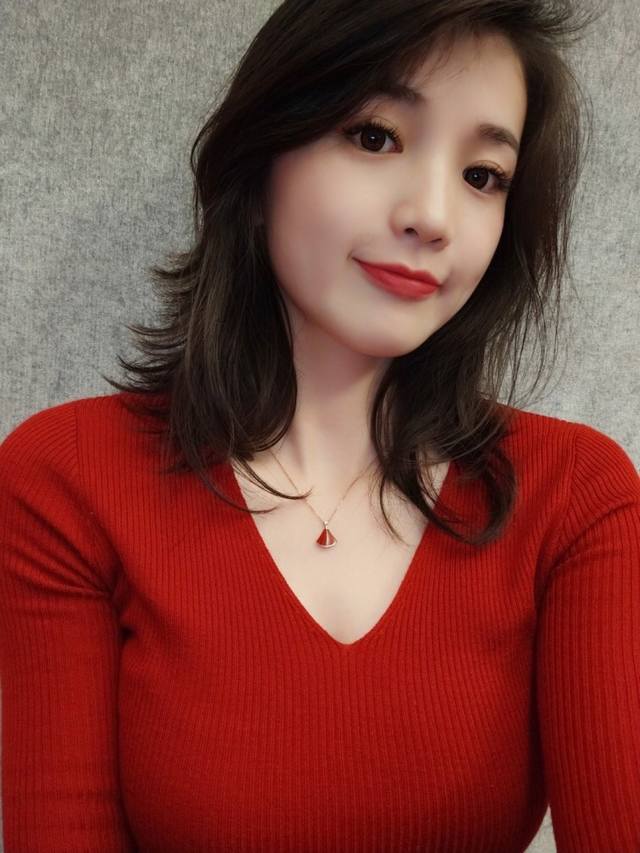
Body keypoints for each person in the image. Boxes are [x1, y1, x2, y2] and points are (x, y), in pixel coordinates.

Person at [1, 0, 638, 851]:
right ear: (262, 158)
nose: (433, 217)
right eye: (376, 136)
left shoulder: (575, 496)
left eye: (483, 175)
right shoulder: (68, 479)